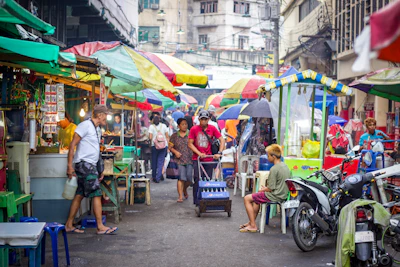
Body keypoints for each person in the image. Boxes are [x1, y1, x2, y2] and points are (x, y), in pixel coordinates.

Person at [65, 105, 118, 235]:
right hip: (84, 164)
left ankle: (68, 225)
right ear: (100, 115)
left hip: (90, 165)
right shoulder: (85, 125)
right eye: (105, 114)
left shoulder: (97, 129)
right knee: (96, 193)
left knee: (80, 194)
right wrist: (69, 166)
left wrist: (99, 169)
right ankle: (100, 226)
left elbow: (96, 150)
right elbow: (72, 145)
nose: (107, 117)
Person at [239, 144, 290, 233]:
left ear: (273, 157)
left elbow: (271, 188)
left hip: (274, 195)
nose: (267, 157)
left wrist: (263, 189)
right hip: (283, 194)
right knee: (256, 199)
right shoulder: (285, 166)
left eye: (268, 155)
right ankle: (251, 222)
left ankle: (253, 226)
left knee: (247, 198)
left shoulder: (274, 169)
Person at [188, 110, 225, 206]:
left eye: (205, 119)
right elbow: (190, 144)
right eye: (202, 119)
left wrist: (219, 152)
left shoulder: (212, 128)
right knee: (197, 178)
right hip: (197, 158)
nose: (203, 121)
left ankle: (206, 198)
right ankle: (197, 200)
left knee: (207, 180)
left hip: (209, 158)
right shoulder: (194, 129)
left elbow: (222, 139)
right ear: (199, 120)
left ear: (208, 119)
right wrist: (199, 153)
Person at [169, 118, 193, 203]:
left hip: (190, 159)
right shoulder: (174, 136)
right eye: (182, 124)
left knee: (189, 179)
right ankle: (180, 196)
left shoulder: (191, 134)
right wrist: (175, 152)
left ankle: (185, 190)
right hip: (179, 160)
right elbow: (170, 147)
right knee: (181, 178)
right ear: (178, 126)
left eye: (186, 124)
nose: (184, 126)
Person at [149, 112, 169, 183]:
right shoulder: (163, 126)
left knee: (154, 161)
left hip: (154, 146)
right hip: (163, 146)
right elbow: (167, 136)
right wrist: (168, 146)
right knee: (160, 162)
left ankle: (154, 176)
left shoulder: (151, 127)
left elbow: (150, 137)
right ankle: (158, 177)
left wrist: (150, 143)